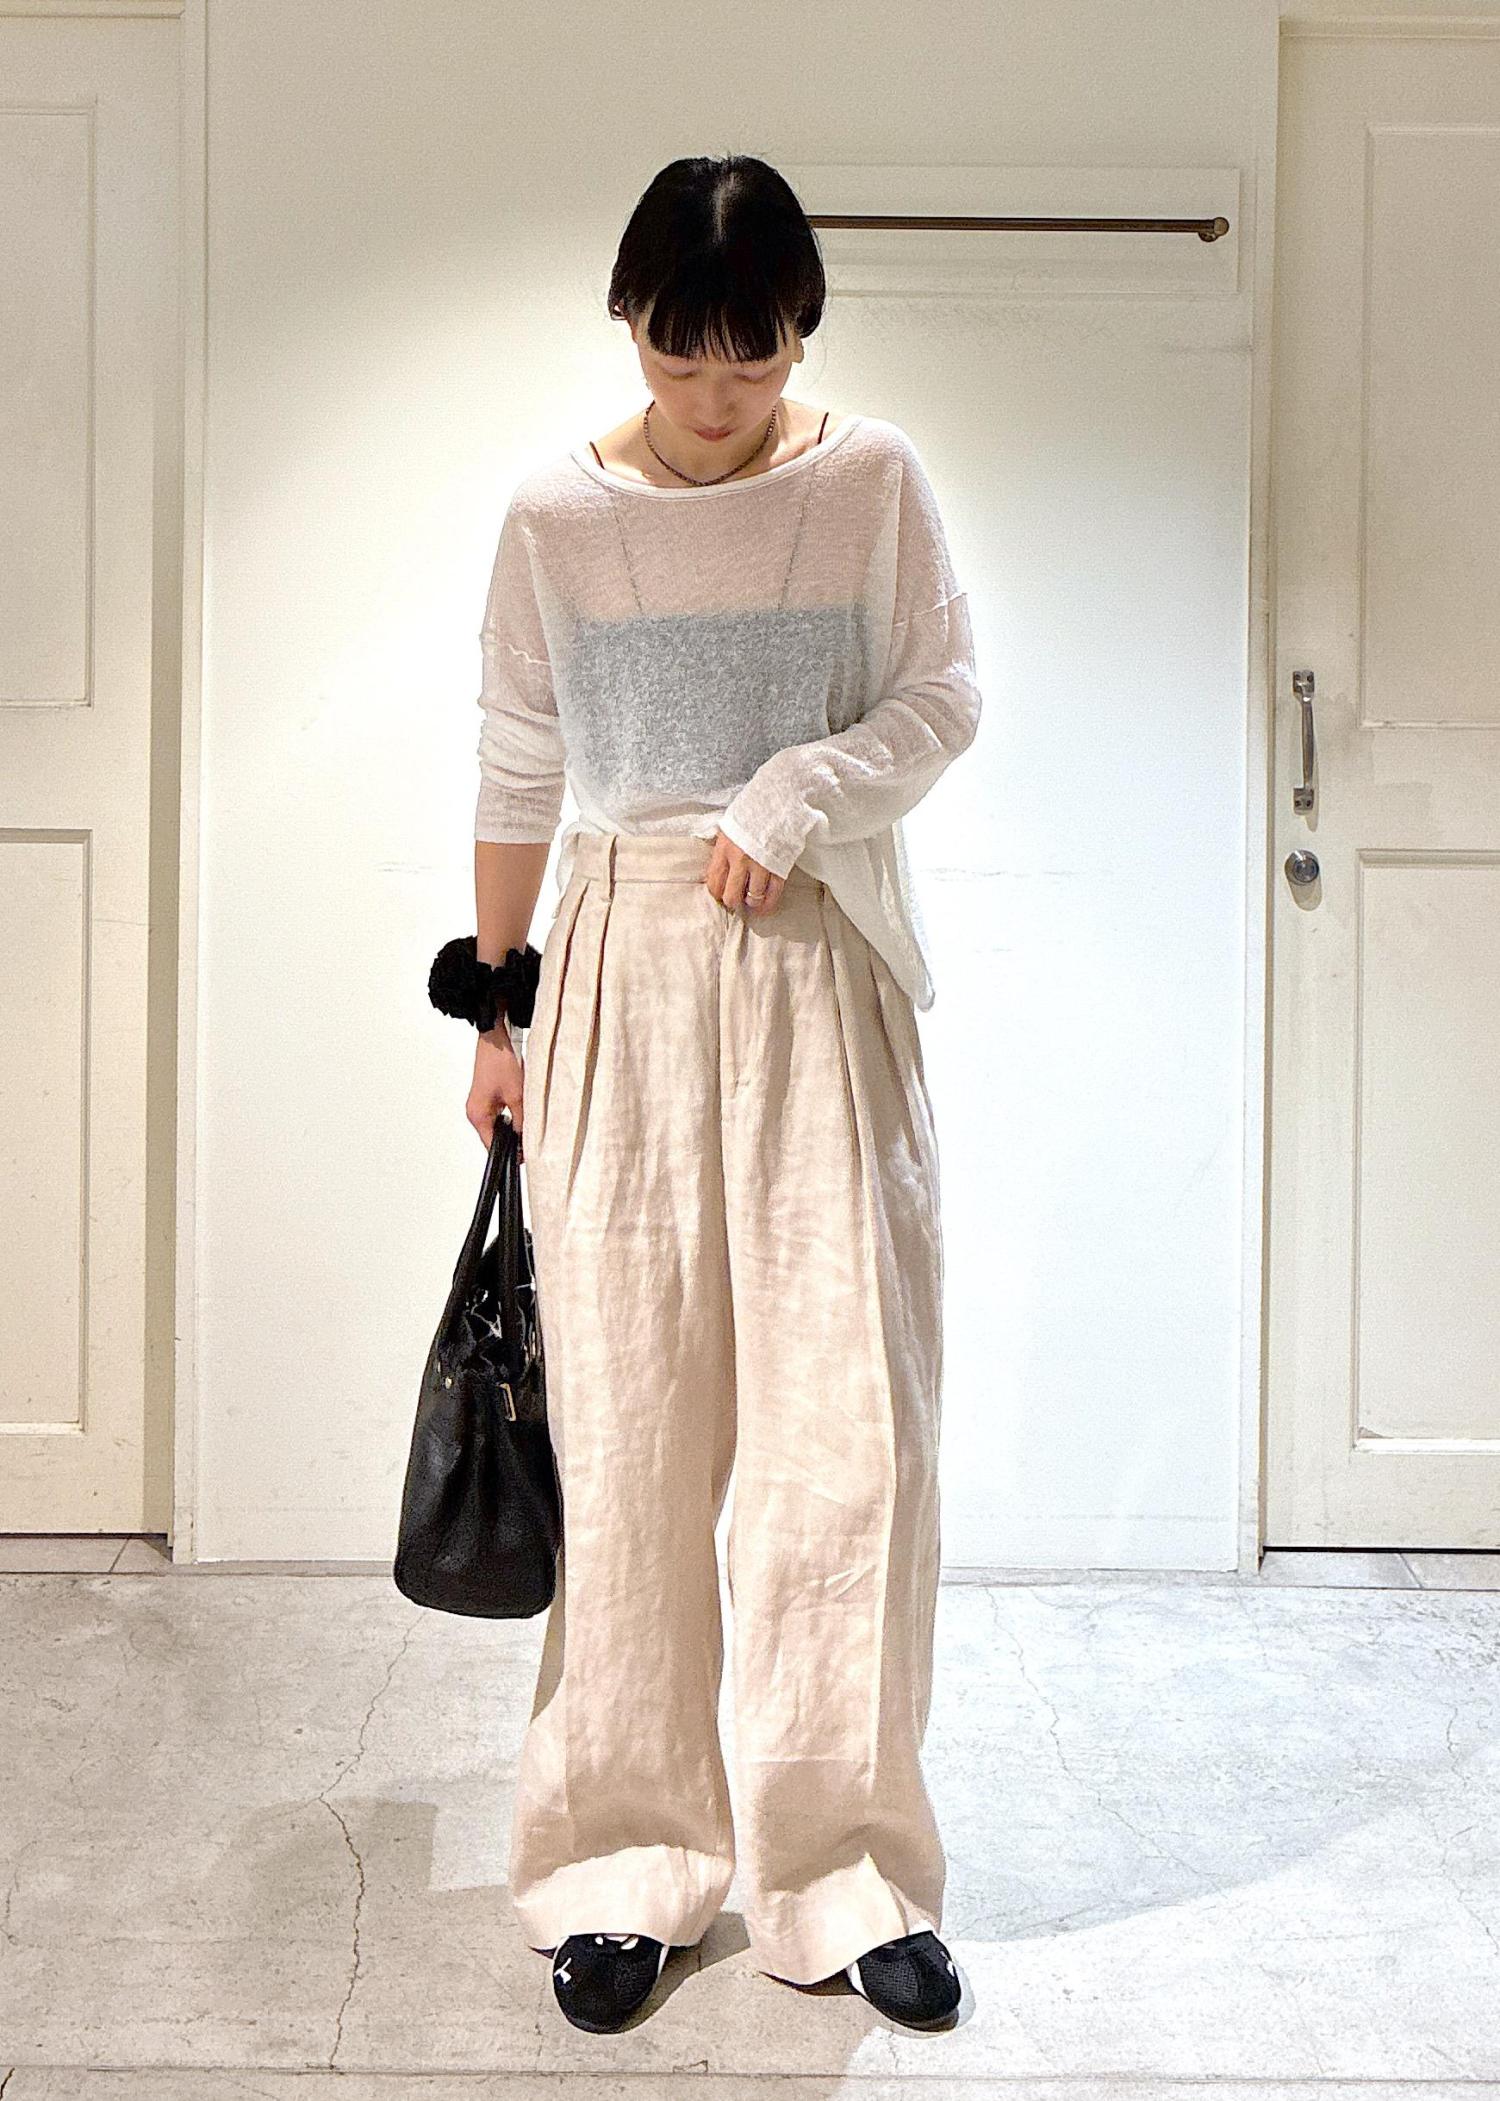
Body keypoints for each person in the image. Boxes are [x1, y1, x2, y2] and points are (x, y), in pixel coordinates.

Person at [465, 154, 982, 2035]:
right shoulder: (555, 513)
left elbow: (944, 693)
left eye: (751, 357)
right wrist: (494, 1014)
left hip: (819, 965)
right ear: (630, 323)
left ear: (800, 335)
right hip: (618, 968)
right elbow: (519, 754)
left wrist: (799, 787)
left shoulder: (869, 484)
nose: (714, 396)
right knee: (629, 1437)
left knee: (851, 1441)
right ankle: (624, 1860)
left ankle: (845, 1873)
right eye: (682, 354)